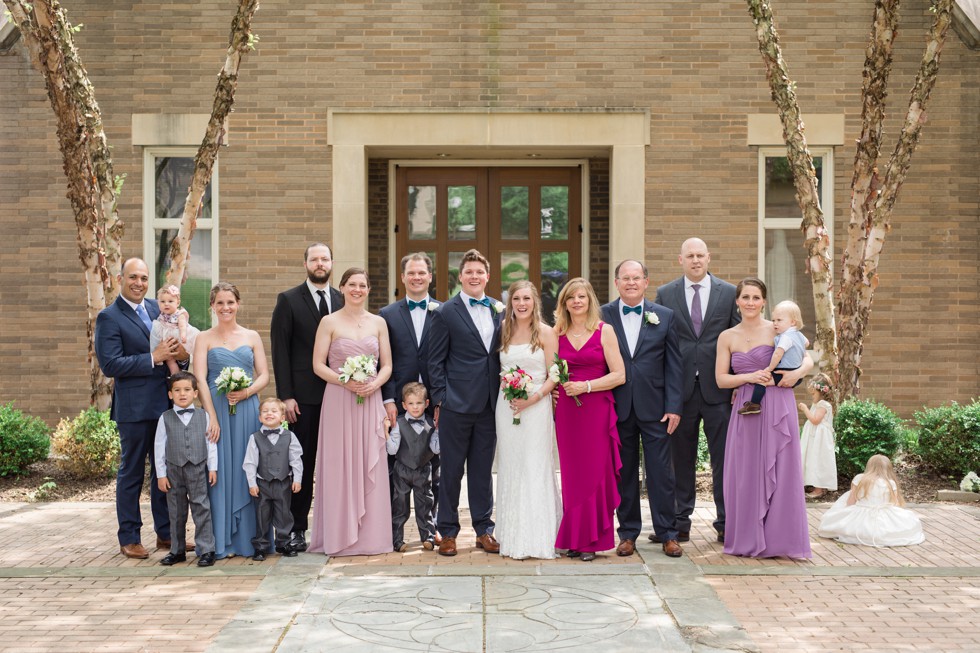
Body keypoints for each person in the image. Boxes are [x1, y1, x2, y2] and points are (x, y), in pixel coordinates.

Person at [716, 277, 813, 559]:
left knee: (781, 471)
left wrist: (797, 373)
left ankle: (779, 540)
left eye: (756, 298)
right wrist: (747, 377)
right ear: (737, 301)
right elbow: (721, 380)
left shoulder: (777, 328)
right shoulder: (727, 336)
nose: (750, 302)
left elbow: (807, 356)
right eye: (745, 297)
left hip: (778, 406)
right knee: (745, 473)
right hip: (746, 407)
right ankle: (747, 537)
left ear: (764, 302)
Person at [95, 257, 183, 558]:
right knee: (132, 473)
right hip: (133, 410)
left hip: (163, 405)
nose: (139, 283)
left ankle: (166, 534)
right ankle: (129, 537)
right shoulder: (109, 317)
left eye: (144, 278)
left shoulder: (156, 309)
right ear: (121, 279)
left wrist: (179, 355)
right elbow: (110, 364)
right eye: (133, 277)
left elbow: (169, 350)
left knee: (165, 470)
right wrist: (152, 358)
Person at [655, 238, 740, 544]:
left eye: (700, 255)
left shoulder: (729, 294)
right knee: (681, 460)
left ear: (709, 258)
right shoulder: (665, 294)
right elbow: (660, 346)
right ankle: (680, 522)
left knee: (724, 459)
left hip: (719, 391)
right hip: (680, 393)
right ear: (680, 260)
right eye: (689, 256)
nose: (695, 260)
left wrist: (737, 381)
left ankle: (726, 521)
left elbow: (739, 341)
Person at [601, 261, 684, 558]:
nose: (631, 283)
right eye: (626, 278)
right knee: (623, 473)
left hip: (656, 408)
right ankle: (627, 533)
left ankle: (668, 533)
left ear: (646, 282)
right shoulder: (602, 315)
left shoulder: (665, 316)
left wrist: (674, 406)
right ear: (616, 282)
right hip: (617, 407)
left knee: (662, 473)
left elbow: (674, 365)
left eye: (637, 278)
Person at [309, 267, 393, 556]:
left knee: (370, 459)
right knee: (338, 463)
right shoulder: (328, 322)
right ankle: (338, 536)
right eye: (352, 284)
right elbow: (318, 365)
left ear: (368, 290)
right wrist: (346, 380)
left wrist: (374, 386)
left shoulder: (379, 323)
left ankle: (371, 538)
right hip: (339, 399)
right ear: (342, 288)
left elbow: (387, 365)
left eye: (363, 285)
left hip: (370, 398)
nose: (357, 289)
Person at [427, 249, 503, 557]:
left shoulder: (500, 309)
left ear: (487, 276)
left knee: (483, 472)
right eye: (468, 272)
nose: (474, 276)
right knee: (451, 471)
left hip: (489, 403)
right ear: (461, 277)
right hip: (455, 405)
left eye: (479, 272)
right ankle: (447, 532)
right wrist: (441, 399)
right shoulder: (446, 312)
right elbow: (435, 360)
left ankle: (484, 529)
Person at [270, 243, 344, 552]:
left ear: (331, 263)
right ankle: (297, 528)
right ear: (305, 264)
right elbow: (280, 350)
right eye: (314, 259)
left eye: (324, 258)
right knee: (303, 463)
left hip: (340, 395)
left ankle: (337, 527)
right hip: (304, 398)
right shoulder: (288, 300)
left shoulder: (343, 298)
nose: (320, 263)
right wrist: (286, 396)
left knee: (338, 463)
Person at [194, 281, 270, 559]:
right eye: (220, 303)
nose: (225, 308)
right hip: (218, 408)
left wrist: (247, 391)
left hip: (248, 408)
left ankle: (251, 540)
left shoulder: (252, 336)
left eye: (230, 302)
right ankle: (220, 540)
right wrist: (210, 417)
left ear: (238, 304)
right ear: (212, 306)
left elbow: (264, 375)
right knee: (220, 469)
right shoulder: (204, 338)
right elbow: (200, 379)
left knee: (248, 467)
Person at [553, 278, 625, 562]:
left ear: (590, 300)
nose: (576, 302)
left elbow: (619, 374)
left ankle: (591, 541)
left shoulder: (604, 331)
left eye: (581, 296)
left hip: (596, 410)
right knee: (572, 477)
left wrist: (587, 386)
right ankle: (573, 539)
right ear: (564, 303)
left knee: (595, 473)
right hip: (568, 413)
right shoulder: (556, 333)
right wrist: (554, 393)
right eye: (571, 297)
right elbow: (551, 372)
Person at [495, 281, 562, 560]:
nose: (521, 304)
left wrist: (532, 399)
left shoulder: (546, 333)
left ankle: (539, 537)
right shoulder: (504, 330)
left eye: (526, 298)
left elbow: (555, 374)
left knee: (535, 465)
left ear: (535, 301)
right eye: (516, 299)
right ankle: (512, 536)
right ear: (510, 303)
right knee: (512, 466)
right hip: (507, 406)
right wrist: (513, 396)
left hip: (536, 406)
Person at [380, 252, 440, 532]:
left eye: (422, 272)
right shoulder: (387, 315)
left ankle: (435, 525)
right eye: (411, 273)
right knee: (398, 465)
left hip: (434, 401)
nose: (417, 277)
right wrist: (390, 400)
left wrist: (441, 401)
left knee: (436, 463)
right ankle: (395, 528)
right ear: (402, 277)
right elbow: (384, 361)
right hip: (400, 402)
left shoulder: (444, 311)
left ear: (430, 276)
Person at [153, 371, 217, 567]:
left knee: (201, 508)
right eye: (177, 390)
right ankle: (177, 550)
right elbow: (158, 447)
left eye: (187, 390)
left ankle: (206, 550)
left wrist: (212, 468)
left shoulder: (204, 416)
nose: (182, 394)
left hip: (198, 469)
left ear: (195, 393)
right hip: (173, 471)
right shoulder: (165, 418)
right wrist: (161, 474)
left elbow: (210, 444)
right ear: (170, 394)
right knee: (176, 511)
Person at [243, 397, 304, 562]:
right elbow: (249, 463)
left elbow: (296, 460)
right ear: (259, 417)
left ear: (282, 417)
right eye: (265, 411)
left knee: (284, 514)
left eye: (274, 411)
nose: (269, 414)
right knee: (262, 515)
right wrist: (252, 483)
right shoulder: (254, 438)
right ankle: (261, 546)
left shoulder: (290, 436)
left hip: (284, 482)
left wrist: (297, 479)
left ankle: (283, 543)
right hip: (262, 483)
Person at [818, 455, 924, 547]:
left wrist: (846, 512)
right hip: (883, 513)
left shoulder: (860, 478)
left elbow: (851, 501)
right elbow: (895, 505)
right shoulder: (890, 483)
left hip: (861, 513)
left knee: (841, 522)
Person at [386, 382, 439, 552]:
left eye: (419, 403)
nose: (415, 407)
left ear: (427, 404)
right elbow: (392, 449)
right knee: (400, 505)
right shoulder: (399, 424)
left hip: (423, 470)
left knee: (425, 504)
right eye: (411, 403)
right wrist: (386, 433)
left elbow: (436, 449)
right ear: (403, 405)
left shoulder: (432, 424)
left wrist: (439, 430)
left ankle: (428, 537)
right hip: (402, 470)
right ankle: (397, 540)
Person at [738, 300, 807, 415]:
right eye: (773, 320)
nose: (775, 323)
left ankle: (754, 404)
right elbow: (807, 343)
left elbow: (777, 354)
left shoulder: (786, 337)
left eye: (779, 320)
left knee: (762, 381)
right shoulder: (799, 335)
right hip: (796, 373)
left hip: (784, 372)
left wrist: (769, 368)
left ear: (793, 322)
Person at [798, 373, 837, 498]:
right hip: (814, 438)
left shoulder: (824, 405)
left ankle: (819, 489)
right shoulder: (818, 404)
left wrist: (805, 409)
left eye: (813, 394)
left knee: (818, 459)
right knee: (812, 459)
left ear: (822, 392)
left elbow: (815, 420)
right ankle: (814, 485)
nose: (812, 397)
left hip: (820, 440)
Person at [150, 284, 200, 376]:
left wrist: (183, 335)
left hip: (179, 335)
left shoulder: (179, 314)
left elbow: (182, 326)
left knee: (191, 350)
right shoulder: (161, 316)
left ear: (178, 303)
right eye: (162, 301)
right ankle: (175, 375)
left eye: (170, 301)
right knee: (169, 359)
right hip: (167, 337)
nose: (166, 304)